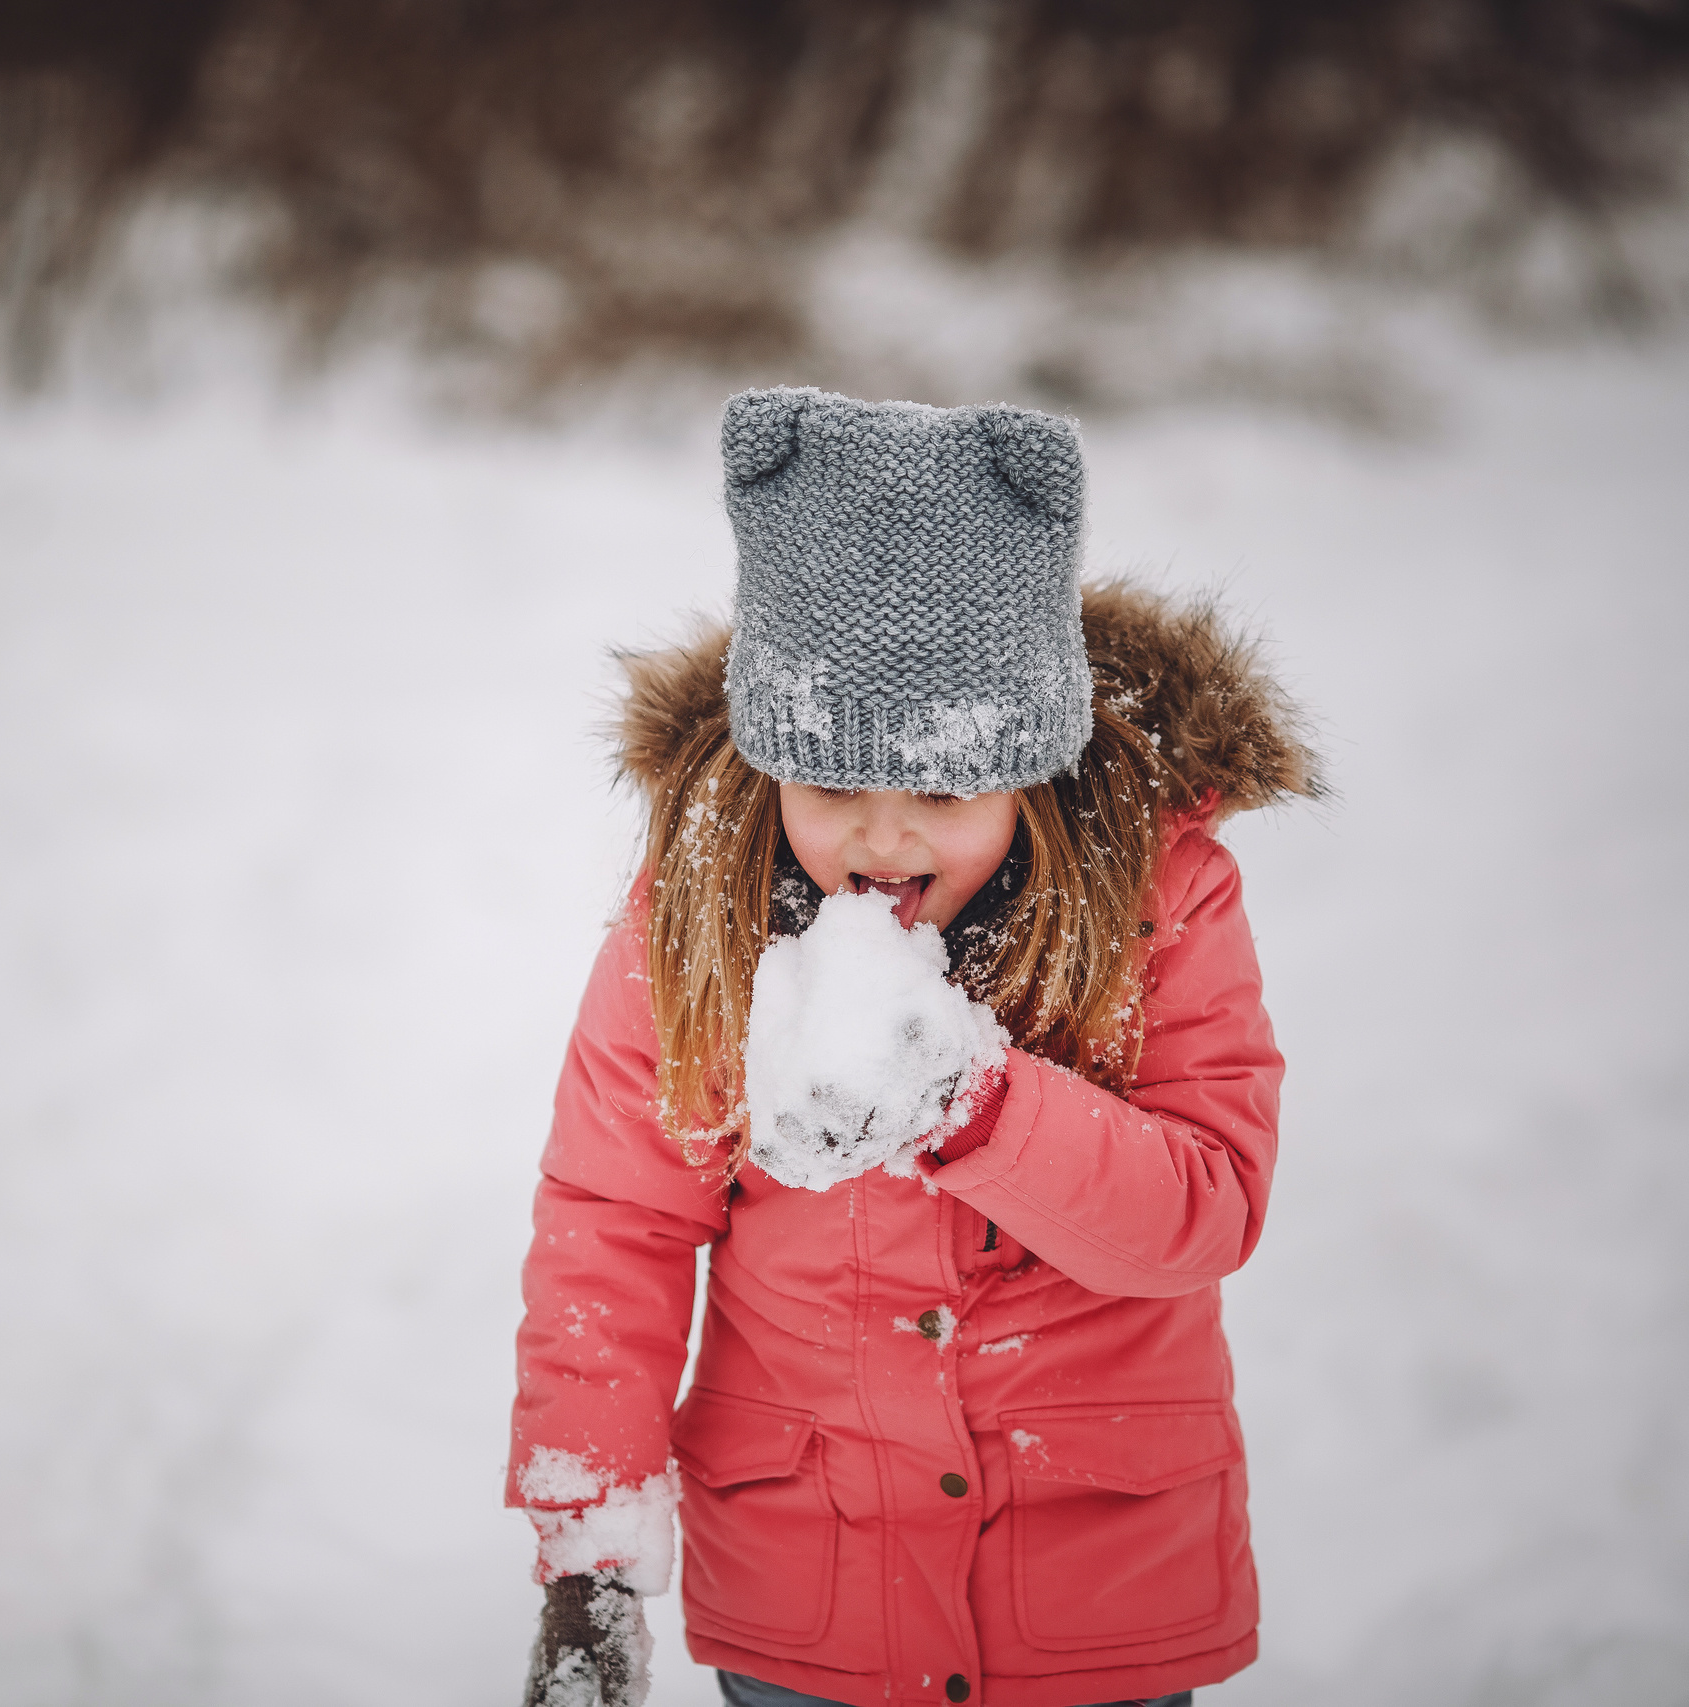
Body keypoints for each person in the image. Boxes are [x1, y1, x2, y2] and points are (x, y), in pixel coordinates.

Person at [510, 387, 1317, 1707]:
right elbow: (616, 1225)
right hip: (809, 1595)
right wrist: (587, 1553)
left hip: (1094, 1600)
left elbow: (1205, 1210)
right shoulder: (698, 913)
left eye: (942, 790)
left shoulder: (1158, 899)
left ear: (1031, 767)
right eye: (831, 786)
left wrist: (974, 1104)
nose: (883, 841)